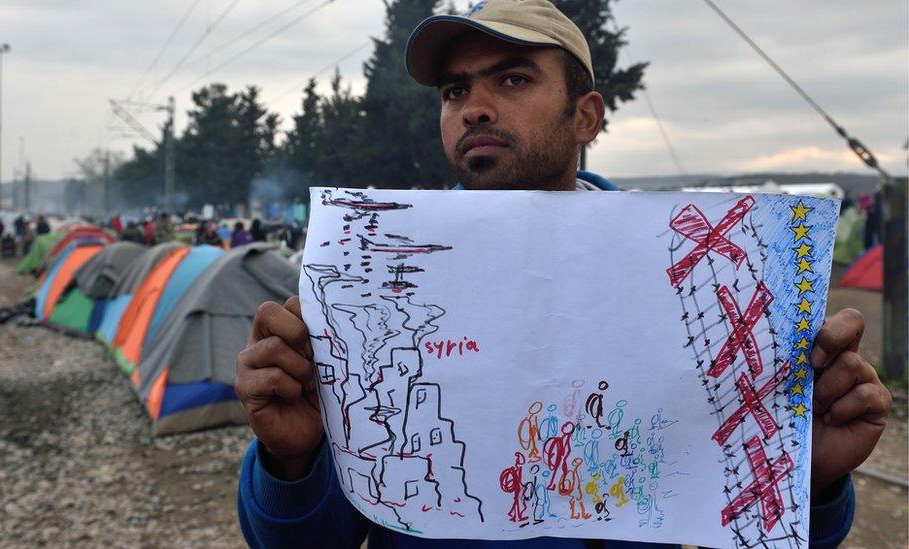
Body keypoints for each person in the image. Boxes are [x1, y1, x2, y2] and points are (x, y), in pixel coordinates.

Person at [234, 2, 891, 547]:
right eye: (455, 90)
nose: (475, 108)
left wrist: (813, 481)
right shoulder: (375, 279)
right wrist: (291, 463)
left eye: (512, 79)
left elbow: (743, 511)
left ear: (587, 116)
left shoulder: (690, 275)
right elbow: (302, 540)